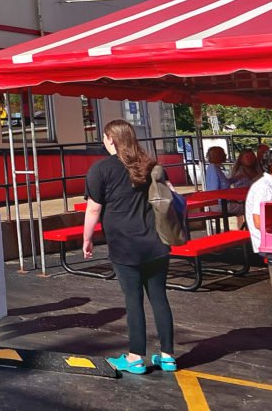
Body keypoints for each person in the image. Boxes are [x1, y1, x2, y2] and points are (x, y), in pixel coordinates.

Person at [82, 119, 175, 375]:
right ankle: (167, 356)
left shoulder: (100, 170)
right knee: (159, 298)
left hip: (124, 245)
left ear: (110, 139)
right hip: (156, 242)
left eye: (104, 136)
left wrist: (87, 238)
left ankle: (135, 357)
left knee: (133, 300)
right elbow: (169, 196)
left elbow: (93, 208)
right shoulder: (151, 166)